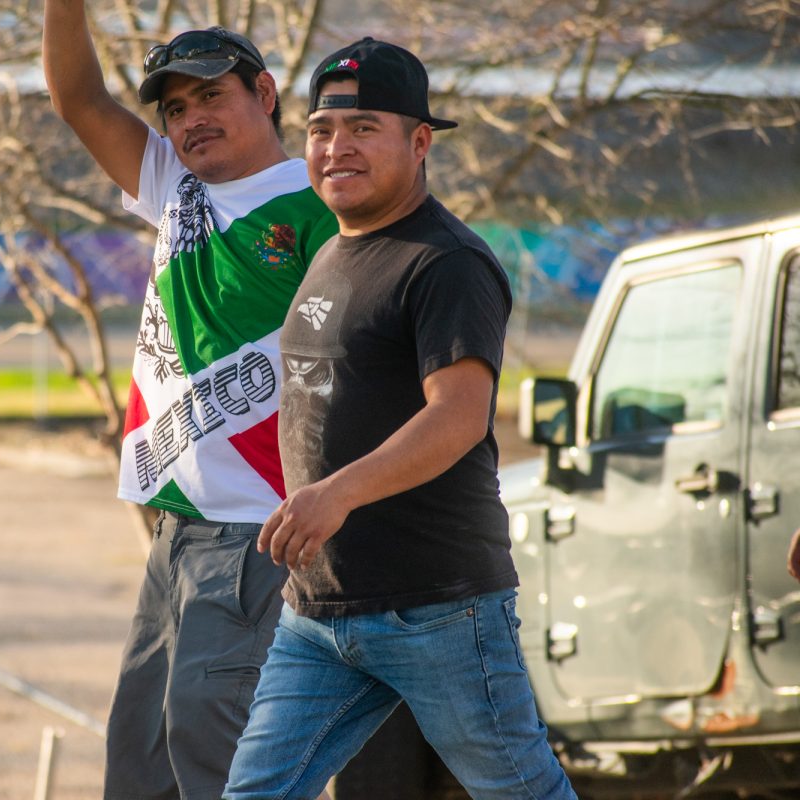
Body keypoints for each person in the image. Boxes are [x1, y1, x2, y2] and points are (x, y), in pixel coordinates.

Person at [223, 38, 578, 800]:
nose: (335, 148)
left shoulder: (446, 262)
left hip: (438, 609)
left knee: (521, 792)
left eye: (363, 129)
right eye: (321, 129)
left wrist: (336, 494)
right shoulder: (334, 250)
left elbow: (457, 419)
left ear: (420, 143)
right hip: (319, 614)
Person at [42, 5, 338, 798]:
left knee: (222, 761)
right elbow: (76, 97)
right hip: (173, 532)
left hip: (256, 528)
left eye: (211, 97)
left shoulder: (321, 204)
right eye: (174, 109)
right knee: (139, 767)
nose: (191, 120)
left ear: (266, 94)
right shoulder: (175, 186)